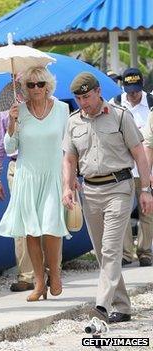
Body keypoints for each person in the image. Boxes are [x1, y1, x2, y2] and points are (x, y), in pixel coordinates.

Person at [62, 72, 153, 324]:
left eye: (87, 96)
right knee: (104, 254)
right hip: (90, 191)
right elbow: (68, 158)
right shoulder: (73, 122)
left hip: (119, 188)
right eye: (79, 98)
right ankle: (123, 307)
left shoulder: (120, 116)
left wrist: (145, 189)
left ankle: (101, 306)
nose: (83, 102)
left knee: (111, 249)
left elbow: (140, 154)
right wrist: (67, 187)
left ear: (98, 91)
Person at [0, 67, 69, 302]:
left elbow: (70, 146)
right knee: (31, 231)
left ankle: (54, 274)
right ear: (24, 88)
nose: (36, 88)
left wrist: (71, 178)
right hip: (27, 176)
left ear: (48, 85)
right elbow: (9, 147)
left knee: (50, 227)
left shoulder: (62, 109)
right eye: (30, 85)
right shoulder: (18, 112)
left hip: (52, 176)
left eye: (40, 84)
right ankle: (39, 283)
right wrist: (11, 123)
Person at [0, 83, 35, 292]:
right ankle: (27, 275)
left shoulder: (42, 108)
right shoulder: (4, 111)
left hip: (40, 165)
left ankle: (49, 269)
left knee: (45, 217)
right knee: (21, 221)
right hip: (16, 167)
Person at [110, 68, 153, 267]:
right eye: (129, 90)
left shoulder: (151, 104)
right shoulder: (115, 104)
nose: (132, 95)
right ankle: (126, 253)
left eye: (136, 90)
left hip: (148, 169)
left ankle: (145, 252)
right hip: (124, 169)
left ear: (142, 86)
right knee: (123, 212)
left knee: (148, 211)